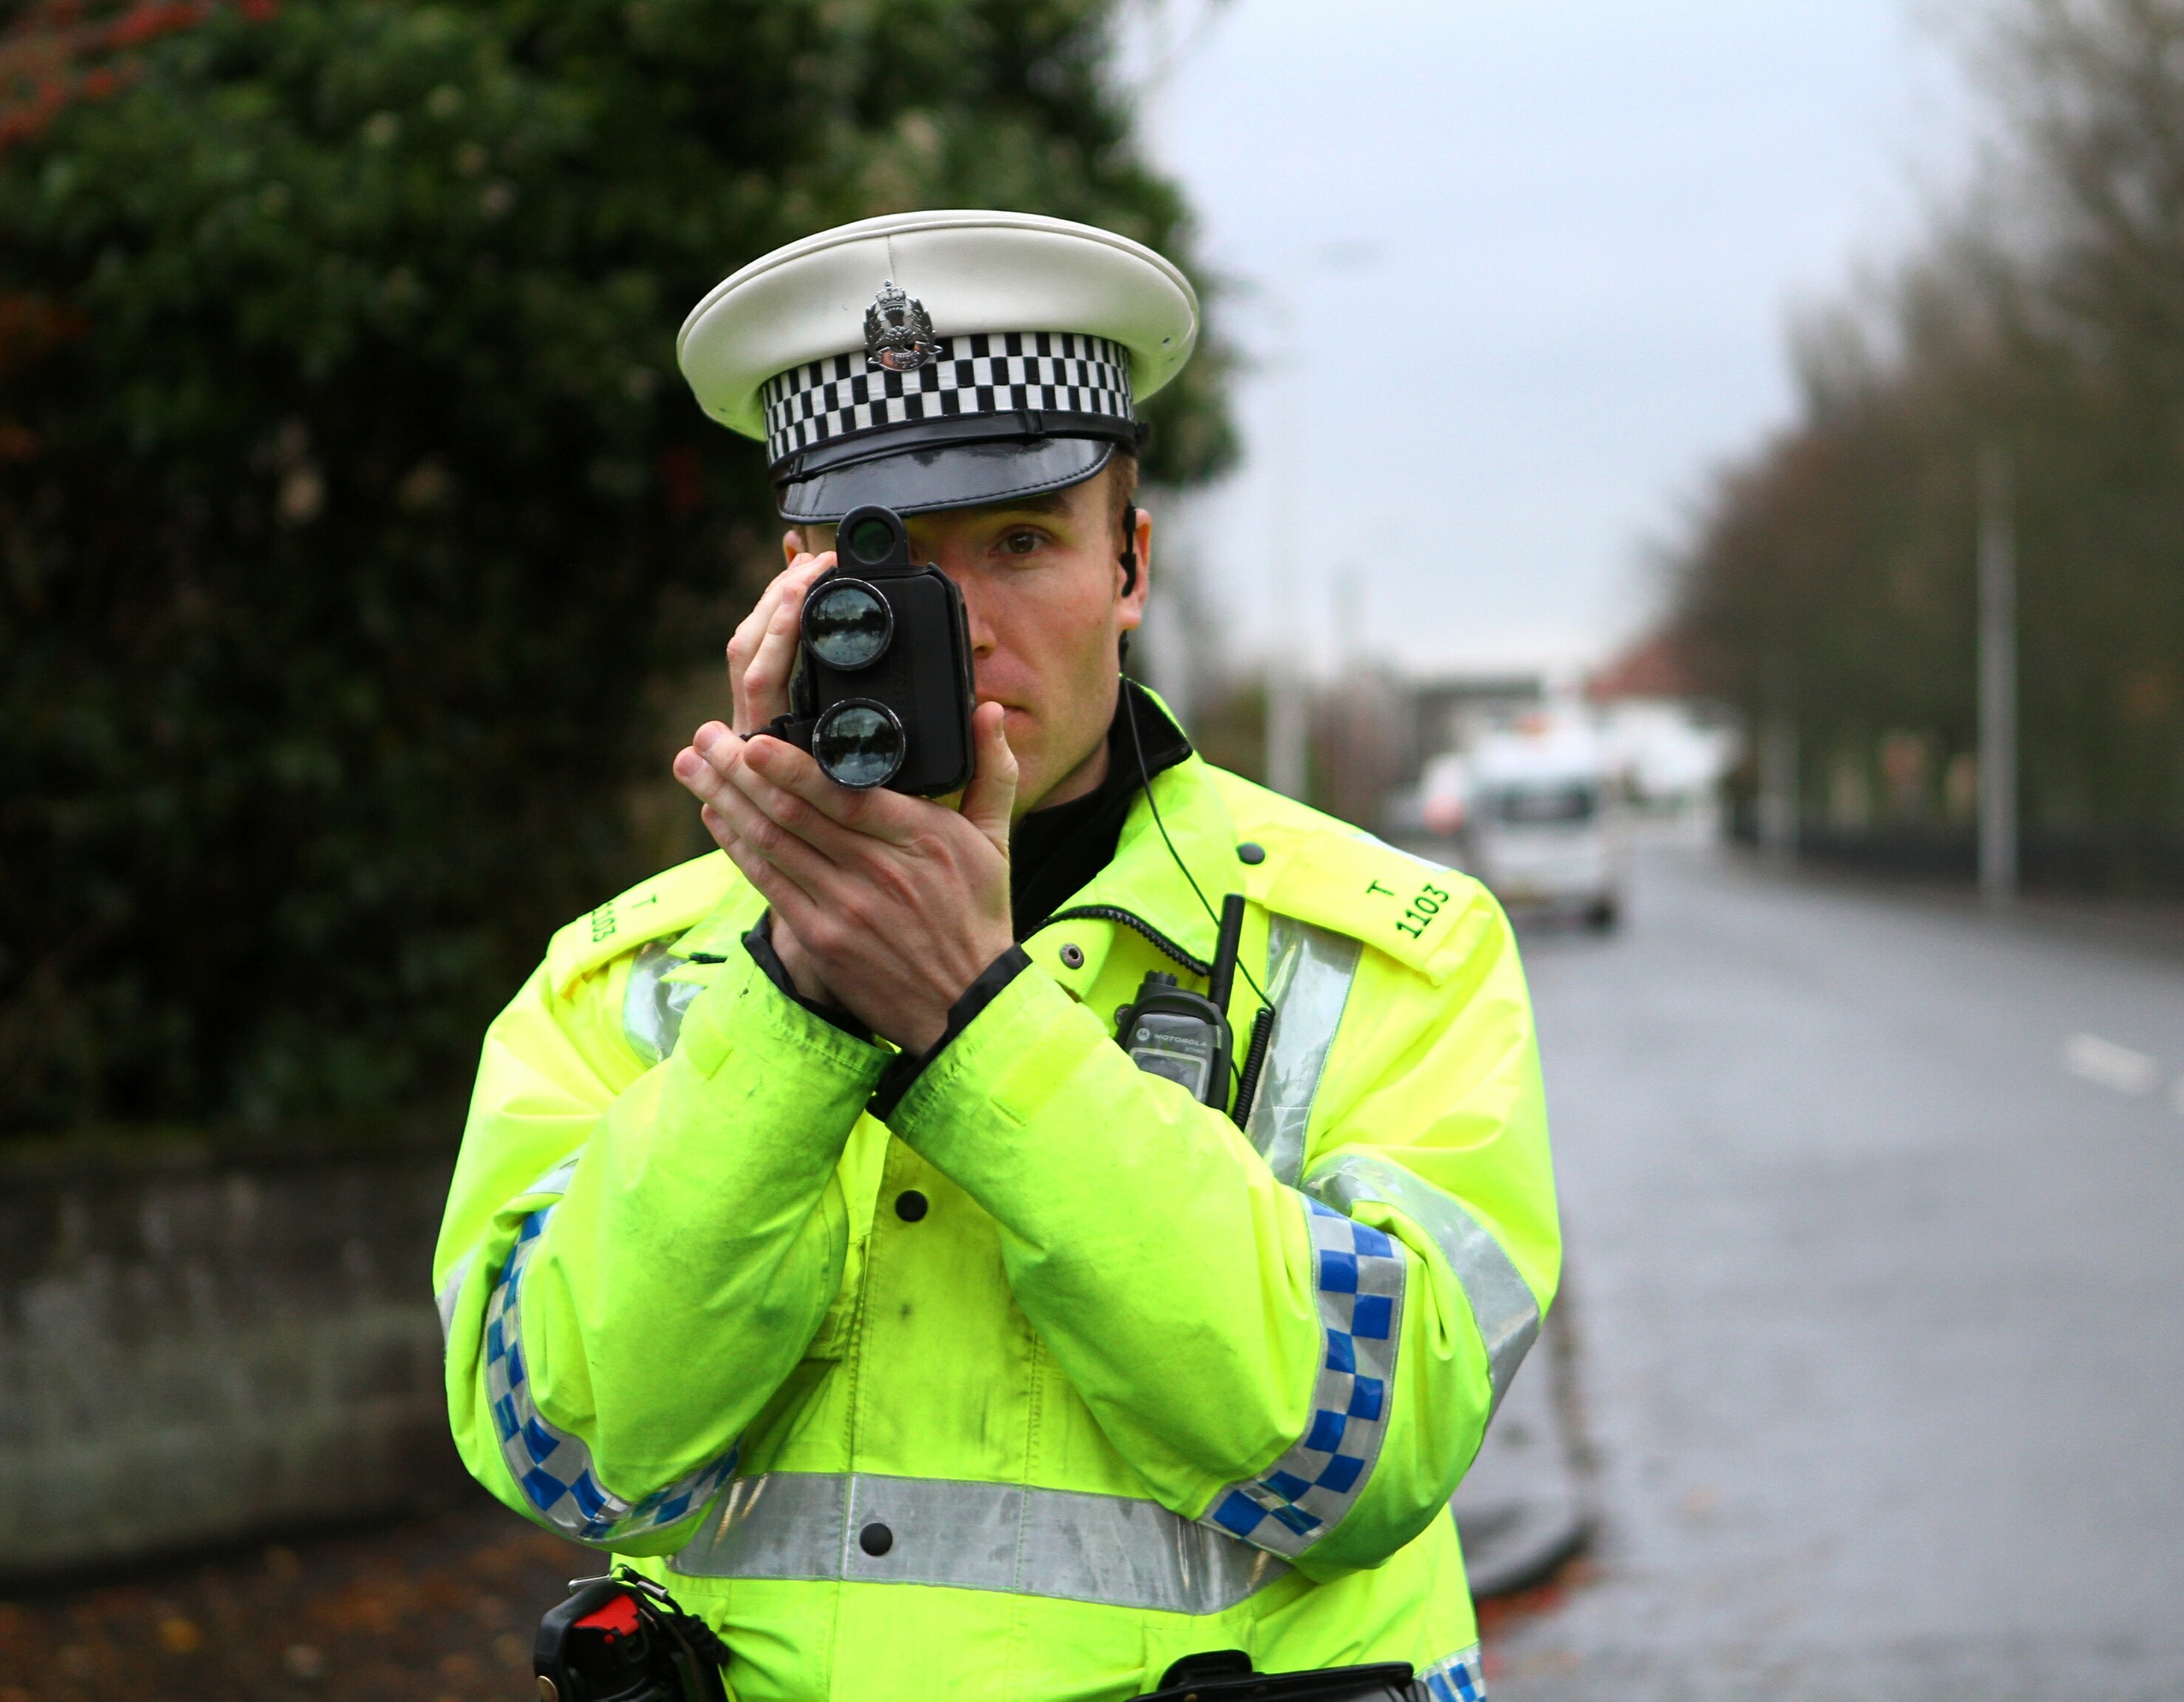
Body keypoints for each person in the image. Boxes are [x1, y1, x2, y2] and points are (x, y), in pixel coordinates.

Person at [432, 210, 1558, 1702]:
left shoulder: (1398, 954)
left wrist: (979, 1033)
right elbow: (563, 1454)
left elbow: (1377, 1452)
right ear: (791, 589)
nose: (955, 627)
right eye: (874, 563)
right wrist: (795, 1000)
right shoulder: (620, 980)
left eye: (1022, 541)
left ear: (1131, 564)